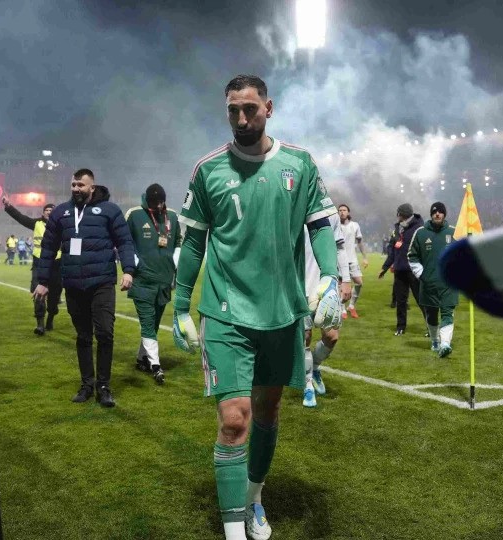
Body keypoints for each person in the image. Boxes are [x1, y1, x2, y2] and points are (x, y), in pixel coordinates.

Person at [172, 74, 341, 540]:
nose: (242, 119)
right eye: (233, 110)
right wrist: (181, 306)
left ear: (269, 107)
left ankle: (253, 499)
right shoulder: (208, 169)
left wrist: (331, 279)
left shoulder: (299, 163)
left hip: (282, 313)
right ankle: (233, 531)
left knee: (267, 412)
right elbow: (194, 242)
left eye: (250, 109)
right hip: (225, 312)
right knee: (234, 421)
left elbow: (320, 226)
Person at [34, 168, 136, 408]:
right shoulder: (61, 212)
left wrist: (128, 270)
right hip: (73, 284)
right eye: (73, 185)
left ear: (92, 187)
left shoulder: (110, 210)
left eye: (81, 185)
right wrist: (43, 281)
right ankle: (87, 384)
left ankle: (104, 386)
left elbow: (124, 241)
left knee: (105, 333)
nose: (76, 189)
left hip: (102, 283)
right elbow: (48, 248)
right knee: (82, 336)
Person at [124, 183, 182, 385]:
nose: (158, 206)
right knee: (148, 321)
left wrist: (175, 267)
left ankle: (142, 359)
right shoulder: (134, 215)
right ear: (146, 200)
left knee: (154, 323)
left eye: (161, 202)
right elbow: (125, 242)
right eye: (154, 203)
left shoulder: (172, 216)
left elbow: (178, 242)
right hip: (143, 281)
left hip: (164, 281)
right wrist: (132, 267)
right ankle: (156, 366)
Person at [302, 213, 350, 408]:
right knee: (304, 338)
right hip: (300, 286)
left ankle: (314, 366)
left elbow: (340, 248)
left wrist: (346, 279)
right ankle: (307, 385)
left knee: (332, 337)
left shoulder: (330, 213)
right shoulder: (291, 206)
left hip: (326, 285)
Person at [1, 198, 63, 335]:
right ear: (43, 213)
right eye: (47, 210)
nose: (49, 212)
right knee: (38, 293)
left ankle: (51, 316)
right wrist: (9, 206)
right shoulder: (36, 224)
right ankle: (40, 324)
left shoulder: (63, 225)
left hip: (56, 264)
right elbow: (21, 218)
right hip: (39, 263)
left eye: (52, 210)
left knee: (54, 296)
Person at [408, 201, 459, 357]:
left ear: (444, 214)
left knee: (447, 313)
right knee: (431, 314)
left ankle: (445, 344)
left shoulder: (455, 232)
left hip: (449, 284)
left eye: (440, 212)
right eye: (434, 212)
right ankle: (435, 341)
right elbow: (411, 256)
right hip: (428, 284)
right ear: (431, 214)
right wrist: (422, 275)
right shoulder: (421, 233)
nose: (437, 214)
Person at [379, 203, 424, 336]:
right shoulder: (398, 228)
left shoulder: (419, 228)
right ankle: (401, 327)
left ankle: (431, 326)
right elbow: (393, 251)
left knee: (421, 300)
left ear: (402, 214)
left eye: (398, 214)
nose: (397, 216)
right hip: (399, 270)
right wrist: (385, 267)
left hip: (414, 270)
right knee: (401, 301)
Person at [337, 204, 368, 319]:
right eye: (340, 210)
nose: (342, 212)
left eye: (344, 210)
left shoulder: (355, 225)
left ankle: (351, 306)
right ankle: (342, 309)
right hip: (340, 260)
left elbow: (360, 242)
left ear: (348, 212)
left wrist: (364, 257)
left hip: (352, 259)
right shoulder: (335, 225)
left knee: (359, 282)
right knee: (341, 285)